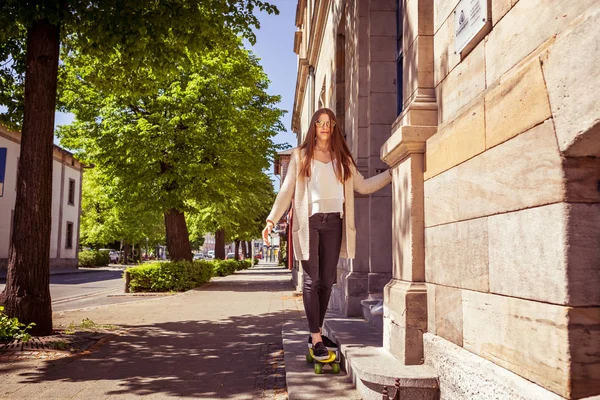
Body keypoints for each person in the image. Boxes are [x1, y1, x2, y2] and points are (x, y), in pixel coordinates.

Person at [262, 108, 392, 361]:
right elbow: (287, 191)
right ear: (314, 126)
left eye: (328, 123)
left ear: (333, 127)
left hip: (334, 222)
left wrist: (392, 173)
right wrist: (271, 220)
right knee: (311, 280)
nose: (324, 126)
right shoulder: (301, 156)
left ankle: (315, 335)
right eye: (319, 122)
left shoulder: (342, 157)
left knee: (326, 281)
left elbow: (363, 186)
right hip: (309, 222)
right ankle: (316, 337)